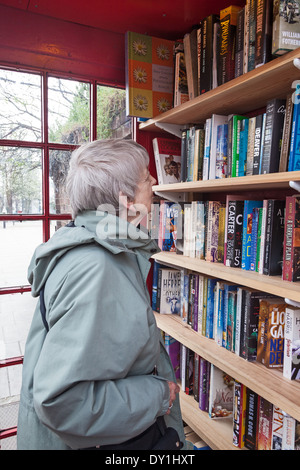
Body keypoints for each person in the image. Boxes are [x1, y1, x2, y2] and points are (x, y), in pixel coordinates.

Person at [17, 138, 187, 450]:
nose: (153, 181)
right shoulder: (97, 268)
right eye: (145, 175)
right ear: (125, 199)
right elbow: (64, 403)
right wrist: (160, 394)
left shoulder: (99, 248)